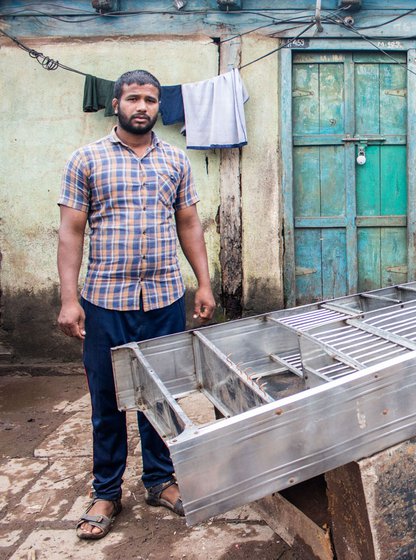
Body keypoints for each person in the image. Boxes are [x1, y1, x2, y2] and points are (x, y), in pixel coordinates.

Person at [57, 69, 216, 540]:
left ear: (158, 106)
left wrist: (203, 285)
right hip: (105, 301)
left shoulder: (175, 160)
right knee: (108, 399)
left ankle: (159, 481)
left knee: (159, 396)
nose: (142, 106)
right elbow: (71, 231)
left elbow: (189, 223)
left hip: (164, 298)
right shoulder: (86, 159)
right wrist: (69, 299)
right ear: (117, 103)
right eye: (133, 98)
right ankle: (106, 491)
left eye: (150, 99)